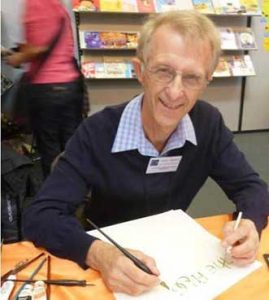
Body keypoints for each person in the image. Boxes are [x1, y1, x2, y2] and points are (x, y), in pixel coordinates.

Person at [23, 10, 269, 296]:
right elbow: (40, 216)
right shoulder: (97, 132)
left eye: (192, 78)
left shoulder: (207, 125)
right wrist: (99, 254)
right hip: (109, 263)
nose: (175, 92)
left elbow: (251, 187)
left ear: (206, 82)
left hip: (172, 260)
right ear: (140, 71)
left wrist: (250, 223)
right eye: (164, 71)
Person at [6, 0, 86, 178]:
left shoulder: (36, 3)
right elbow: (47, 42)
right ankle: (77, 193)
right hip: (70, 85)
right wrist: (22, 50)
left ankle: (56, 198)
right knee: (71, 146)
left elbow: (37, 48)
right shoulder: (57, 6)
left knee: (50, 149)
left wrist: (16, 59)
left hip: (47, 87)